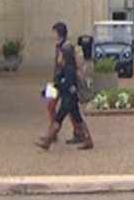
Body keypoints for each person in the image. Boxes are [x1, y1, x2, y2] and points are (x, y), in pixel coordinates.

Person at [36, 22, 94, 150]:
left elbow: (65, 84)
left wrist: (53, 88)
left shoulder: (68, 69)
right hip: (70, 96)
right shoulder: (67, 67)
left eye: (61, 56)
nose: (59, 57)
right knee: (76, 118)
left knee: (59, 118)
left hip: (69, 97)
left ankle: (48, 141)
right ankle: (87, 139)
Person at [44, 22, 84, 145]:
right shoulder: (59, 46)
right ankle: (52, 134)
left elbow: (68, 67)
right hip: (58, 81)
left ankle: (76, 133)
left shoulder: (66, 47)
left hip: (64, 82)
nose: (53, 35)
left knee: (70, 110)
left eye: (54, 32)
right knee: (51, 106)